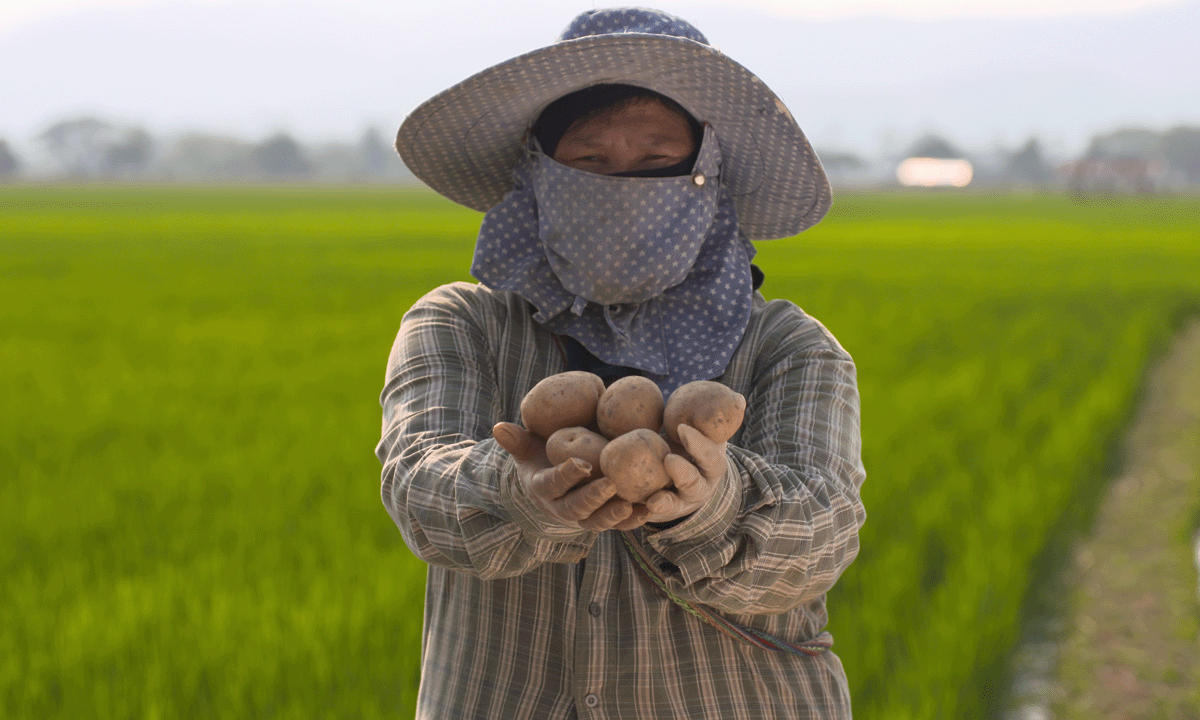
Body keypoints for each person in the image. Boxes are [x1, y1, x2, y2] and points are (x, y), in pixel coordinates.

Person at [377, 7, 866, 719]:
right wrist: (523, 493)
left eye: (658, 161)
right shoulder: (462, 323)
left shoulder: (791, 348)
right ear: (537, 174)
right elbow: (419, 488)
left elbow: (820, 538)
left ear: (709, 173)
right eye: (589, 161)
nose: (623, 187)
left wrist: (709, 502)